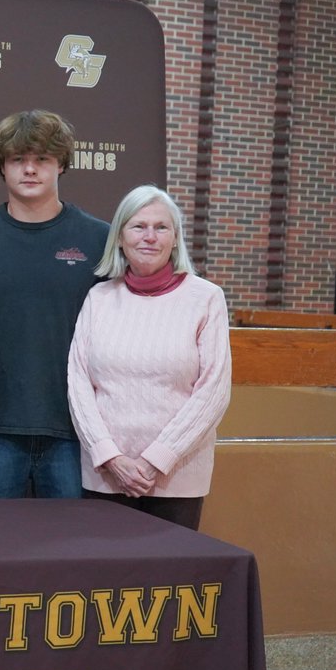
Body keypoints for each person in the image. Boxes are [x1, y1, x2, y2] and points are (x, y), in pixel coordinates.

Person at [0, 109, 109, 499]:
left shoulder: (99, 239)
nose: (30, 169)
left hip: (77, 428)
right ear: (2, 167)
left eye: (42, 159)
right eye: (18, 159)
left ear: (61, 165)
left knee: (73, 552)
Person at [67, 185, 231, 530]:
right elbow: (79, 382)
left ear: (175, 239)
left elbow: (213, 391)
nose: (150, 237)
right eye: (138, 226)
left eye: (161, 227)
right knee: (105, 580)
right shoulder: (99, 297)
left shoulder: (206, 299)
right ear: (121, 238)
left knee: (169, 581)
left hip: (177, 478)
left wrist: (156, 460)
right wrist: (111, 457)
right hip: (107, 476)